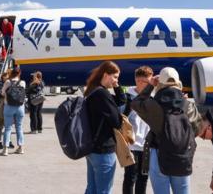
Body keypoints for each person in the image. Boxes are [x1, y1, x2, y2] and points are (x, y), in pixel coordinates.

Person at [131, 67, 202, 194]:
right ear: (178, 83)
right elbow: (198, 129)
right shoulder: (188, 105)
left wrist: (150, 85)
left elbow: (136, 103)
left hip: (158, 155)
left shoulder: (153, 105)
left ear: (159, 83)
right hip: (182, 156)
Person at [84, 61, 126, 194]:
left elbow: (120, 100)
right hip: (103, 150)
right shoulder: (102, 94)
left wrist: (116, 86)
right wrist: (121, 117)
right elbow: (116, 122)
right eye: (115, 77)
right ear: (105, 75)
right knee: (104, 190)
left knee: (92, 189)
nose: (116, 80)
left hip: (92, 148)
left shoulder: (93, 91)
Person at [122, 66, 153, 194]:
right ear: (136, 80)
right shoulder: (128, 97)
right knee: (130, 178)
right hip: (131, 145)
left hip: (148, 146)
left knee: (143, 178)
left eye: (147, 82)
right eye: (141, 81)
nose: (144, 85)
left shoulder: (153, 97)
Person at [1, 67, 26, 156]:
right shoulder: (22, 82)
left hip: (9, 107)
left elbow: (2, 92)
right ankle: (21, 147)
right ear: (19, 73)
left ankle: (5, 149)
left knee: (8, 128)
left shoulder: (8, 82)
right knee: (19, 127)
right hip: (20, 107)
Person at [0, 72, 14, 150]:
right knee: (0, 125)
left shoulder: (11, 83)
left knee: (8, 126)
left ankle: (8, 141)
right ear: (2, 78)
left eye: (7, 77)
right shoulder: (0, 84)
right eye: (5, 77)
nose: (6, 78)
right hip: (2, 106)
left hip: (9, 105)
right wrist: (4, 93)